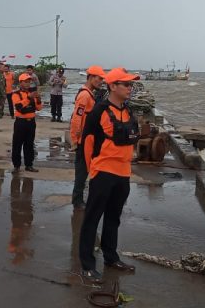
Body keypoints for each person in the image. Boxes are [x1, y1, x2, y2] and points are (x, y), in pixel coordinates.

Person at [78, 68, 141, 283]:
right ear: (112, 86)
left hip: (123, 175)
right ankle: (87, 266)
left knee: (113, 218)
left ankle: (111, 257)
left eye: (131, 84)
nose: (130, 88)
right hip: (103, 173)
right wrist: (92, 171)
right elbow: (87, 143)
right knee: (92, 219)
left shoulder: (128, 111)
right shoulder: (99, 111)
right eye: (126, 84)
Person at [69, 65, 106, 209]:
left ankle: (80, 199)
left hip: (88, 139)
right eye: (99, 78)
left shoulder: (90, 94)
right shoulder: (85, 95)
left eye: (102, 79)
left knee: (85, 171)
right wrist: (74, 140)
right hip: (82, 140)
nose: (101, 81)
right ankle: (77, 201)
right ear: (90, 77)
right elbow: (77, 119)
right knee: (82, 172)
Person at [11, 73, 42, 173]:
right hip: (20, 123)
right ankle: (16, 166)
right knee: (17, 144)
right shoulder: (16, 94)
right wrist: (29, 98)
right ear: (20, 83)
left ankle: (29, 165)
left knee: (29, 144)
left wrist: (38, 99)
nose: (28, 84)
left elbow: (38, 108)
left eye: (29, 82)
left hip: (31, 123)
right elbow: (19, 107)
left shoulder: (32, 93)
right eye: (26, 82)